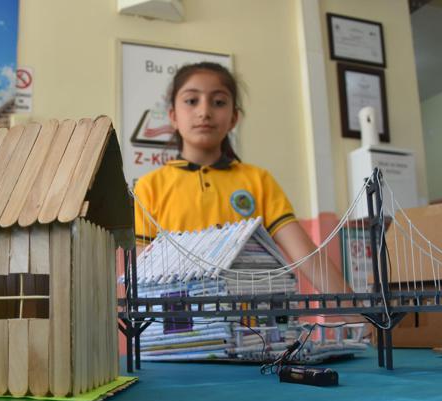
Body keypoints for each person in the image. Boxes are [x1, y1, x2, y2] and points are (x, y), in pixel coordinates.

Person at [134, 62, 349, 295]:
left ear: (234, 118)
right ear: (173, 116)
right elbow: (141, 274)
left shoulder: (258, 181)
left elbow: (306, 256)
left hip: (252, 316)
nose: (204, 112)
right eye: (192, 101)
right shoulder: (149, 187)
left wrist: (358, 310)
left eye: (218, 102)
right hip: (177, 316)